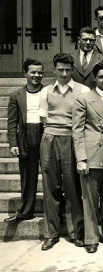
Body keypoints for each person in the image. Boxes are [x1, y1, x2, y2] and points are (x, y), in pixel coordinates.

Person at [39, 53, 90, 250]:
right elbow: (44, 119)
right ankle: (51, 234)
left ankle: (76, 232)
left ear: (72, 70)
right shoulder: (46, 91)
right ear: (54, 70)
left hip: (72, 139)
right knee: (50, 186)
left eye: (68, 70)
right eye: (60, 69)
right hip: (50, 138)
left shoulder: (82, 90)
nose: (64, 73)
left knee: (72, 187)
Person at [72, 63, 103, 253]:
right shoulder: (83, 99)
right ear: (94, 78)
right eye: (101, 77)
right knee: (90, 198)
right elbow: (77, 131)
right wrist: (81, 158)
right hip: (91, 155)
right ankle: (90, 238)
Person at [4, 59, 44, 224]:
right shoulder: (16, 95)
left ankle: (56, 211)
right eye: (33, 72)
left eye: (39, 72)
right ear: (25, 74)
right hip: (26, 136)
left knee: (52, 176)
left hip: (45, 133)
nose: (36, 75)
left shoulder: (48, 92)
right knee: (28, 176)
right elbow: (12, 122)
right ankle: (26, 211)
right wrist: (13, 143)